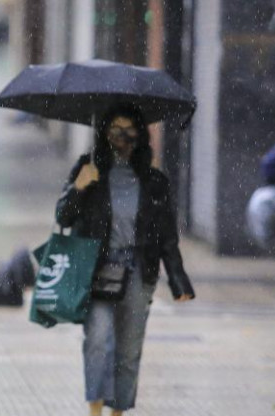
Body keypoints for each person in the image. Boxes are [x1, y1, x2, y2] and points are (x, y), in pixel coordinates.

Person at [55, 105, 195, 416]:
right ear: (103, 133)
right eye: (115, 129)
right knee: (99, 338)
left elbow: (167, 237)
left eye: (130, 129)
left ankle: (117, 411)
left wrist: (178, 280)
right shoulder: (88, 167)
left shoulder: (154, 180)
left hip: (138, 269)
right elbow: (62, 216)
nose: (122, 136)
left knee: (129, 349)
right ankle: (95, 410)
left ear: (141, 134)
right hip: (97, 267)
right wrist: (79, 187)